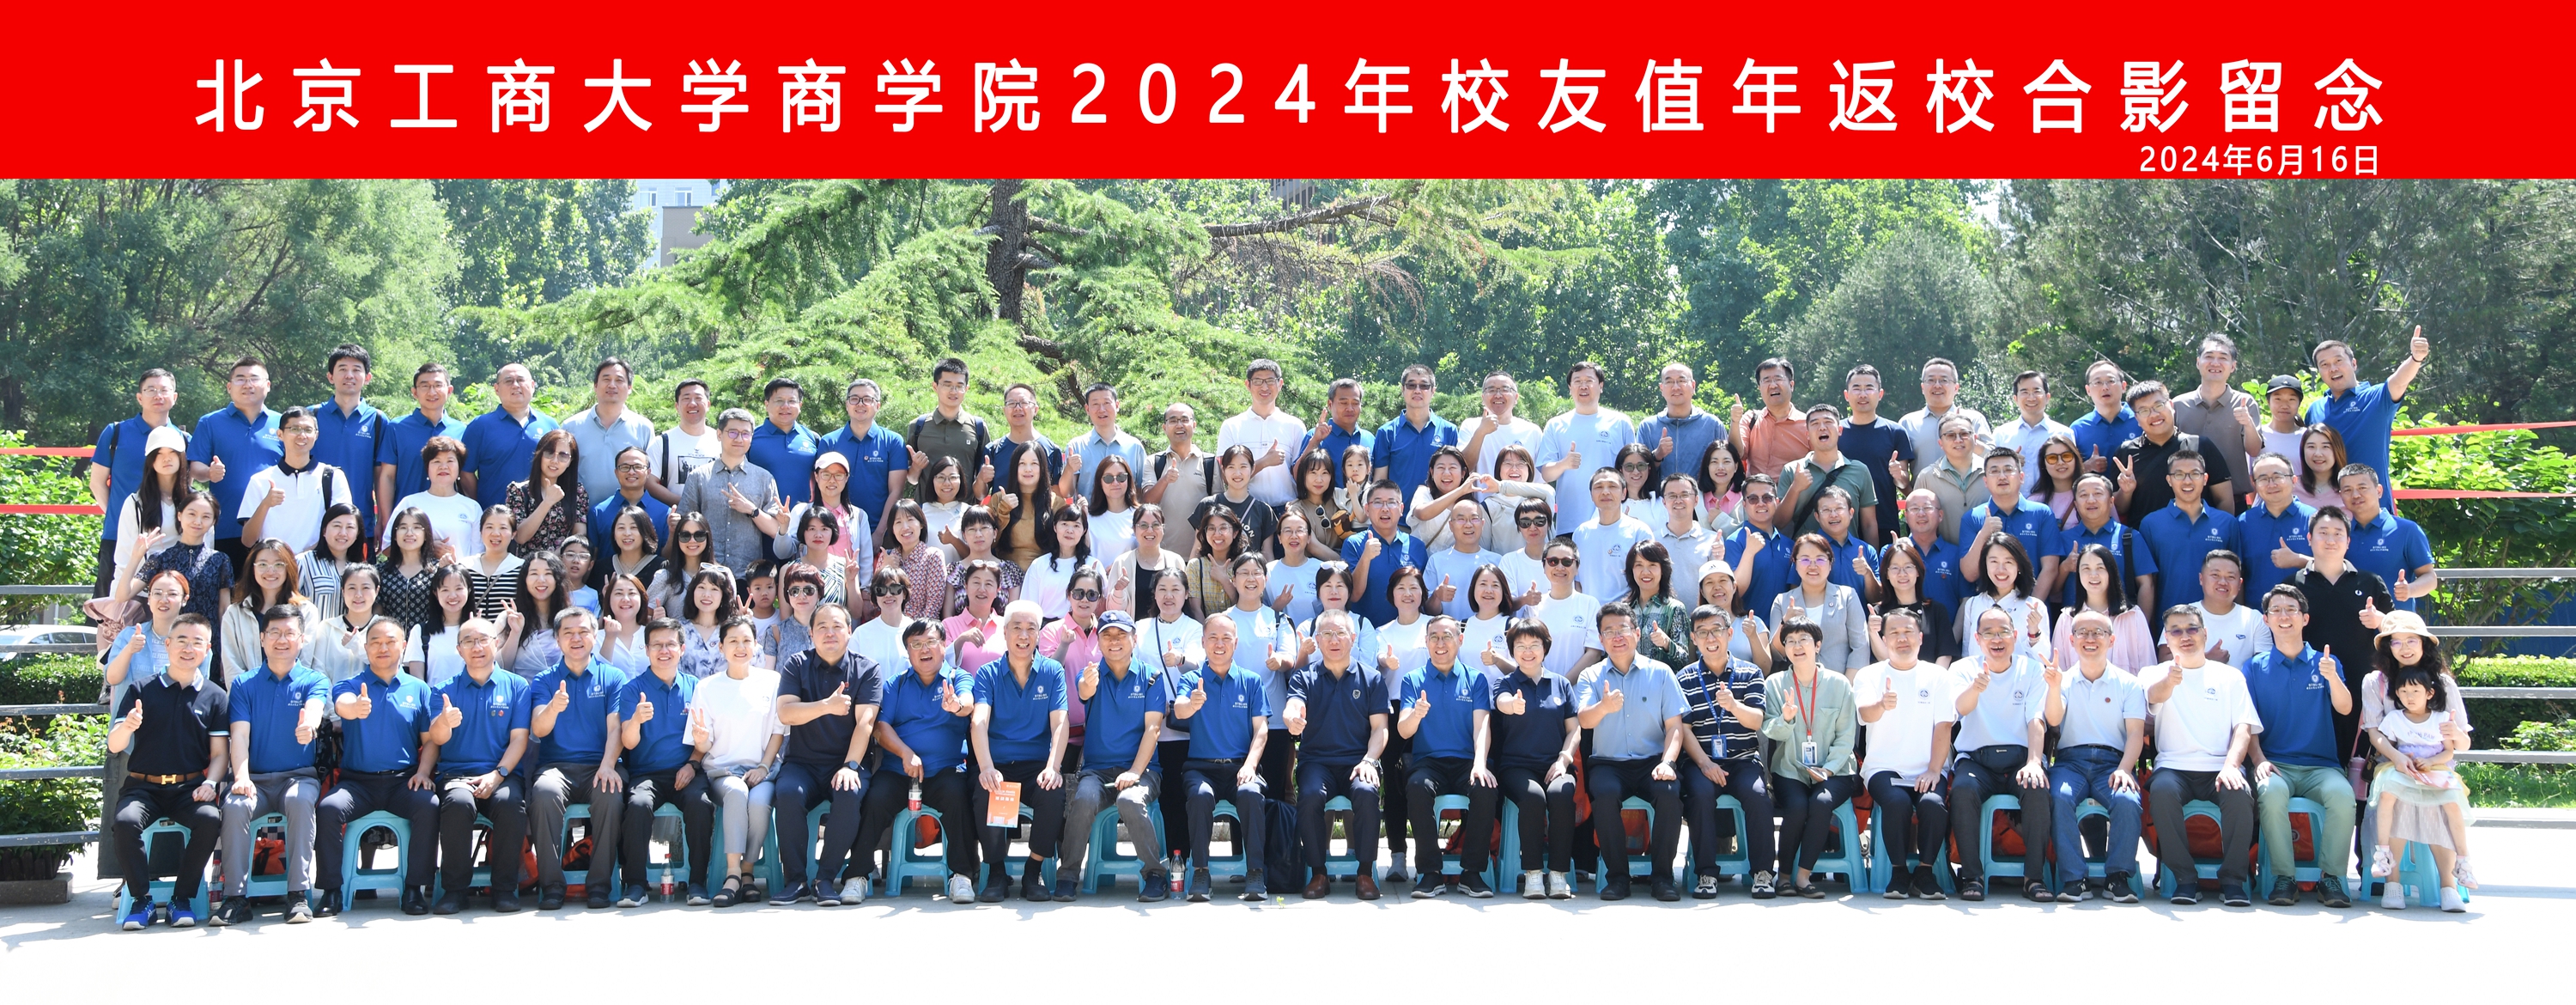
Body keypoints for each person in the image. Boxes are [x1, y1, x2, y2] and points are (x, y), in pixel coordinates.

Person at [106, 614, 228, 930]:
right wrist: (128, 726)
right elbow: (115, 744)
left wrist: (211, 782)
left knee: (209, 819)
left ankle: (182, 899)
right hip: (142, 787)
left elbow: (219, 755)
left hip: (190, 788)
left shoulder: (215, 696)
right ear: (168, 644)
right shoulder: (141, 689)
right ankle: (141, 900)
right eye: (182, 641)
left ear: (208, 649)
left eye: (197, 642)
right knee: (125, 822)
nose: (189, 649)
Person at [2241, 585, 2359, 908]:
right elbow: (2247, 724)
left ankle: (2332, 878)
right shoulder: (2254, 667)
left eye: (2291, 609)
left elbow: (2346, 708)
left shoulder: (2326, 662)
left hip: (2322, 766)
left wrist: (2333, 678)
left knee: (2343, 796)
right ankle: (2284, 877)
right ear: (2266, 619)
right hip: (2276, 763)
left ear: (2305, 618)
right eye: (2276, 610)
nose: (2284, 616)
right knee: (2271, 793)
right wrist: (2260, 760)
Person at [316, 618, 440, 917]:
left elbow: (431, 741)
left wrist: (423, 773)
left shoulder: (419, 689)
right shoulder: (350, 684)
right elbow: (343, 705)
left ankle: (414, 888)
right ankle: (331, 891)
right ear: (366, 647)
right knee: (329, 808)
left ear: (403, 646)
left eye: (390, 642)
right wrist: (354, 708)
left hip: (403, 782)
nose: (383, 648)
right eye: (375, 642)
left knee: (430, 805)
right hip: (357, 784)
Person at [851, 618, 980, 904]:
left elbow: (968, 701)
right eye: (916, 644)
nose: (924, 649)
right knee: (874, 800)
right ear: (907, 652)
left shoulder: (958, 677)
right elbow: (881, 727)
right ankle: (857, 875)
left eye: (931, 642)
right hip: (899, 770)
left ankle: (961, 875)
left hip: (945, 770)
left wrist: (957, 705)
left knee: (958, 798)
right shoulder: (895, 684)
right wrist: (905, 753)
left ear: (944, 645)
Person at [214, 607, 327, 925]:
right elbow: (239, 735)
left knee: (300, 802)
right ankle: (235, 898)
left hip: (298, 778)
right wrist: (241, 777)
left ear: (301, 639)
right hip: (255, 779)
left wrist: (309, 726)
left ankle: (298, 895)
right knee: (235, 806)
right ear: (262, 639)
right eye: (274, 633)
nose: (282, 640)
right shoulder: (244, 684)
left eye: (290, 633)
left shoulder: (314, 679)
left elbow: (315, 709)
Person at [2143, 603, 2261, 907]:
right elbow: (2152, 698)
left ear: (2205, 634)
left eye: (2192, 629)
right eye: (2176, 631)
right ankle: (2185, 878)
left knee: (2240, 794)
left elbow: (2243, 728)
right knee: (2161, 792)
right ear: (2166, 638)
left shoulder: (2231, 676)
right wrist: (2169, 682)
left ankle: (2233, 880)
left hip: (2220, 766)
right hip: (2173, 767)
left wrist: (2232, 766)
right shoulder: (2153, 673)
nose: (2185, 636)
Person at [1575, 601, 1688, 901]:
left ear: (1637, 633)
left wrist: (1668, 763)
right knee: (1604, 794)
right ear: (1601, 640)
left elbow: (1675, 727)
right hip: (1608, 762)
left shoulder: (1661, 672)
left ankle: (1662, 878)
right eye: (1609, 631)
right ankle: (1617, 879)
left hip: (1653, 761)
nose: (1617, 636)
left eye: (1623, 629)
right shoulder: (1591, 675)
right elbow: (1584, 720)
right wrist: (1604, 707)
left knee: (1669, 794)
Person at [1945, 605, 2058, 902]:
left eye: (2003, 632)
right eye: (1989, 633)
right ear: (1977, 639)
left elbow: (2037, 720)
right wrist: (1975, 689)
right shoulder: (1963, 669)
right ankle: (1972, 876)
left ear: (2015, 635)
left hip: (2020, 757)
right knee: (1963, 791)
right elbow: (1958, 710)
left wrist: (2034, 762)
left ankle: (2034, 878)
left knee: (2037, 787)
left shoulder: (2031, 670)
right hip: (1977, 760)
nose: (1997, 639)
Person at [424, 618, 533, 914]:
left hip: (502, 773)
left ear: (496, 643)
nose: (477, 647)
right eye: (468, 641)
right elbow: (437, 738)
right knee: (458, 804)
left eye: (483, 639)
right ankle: (455, 890)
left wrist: (497, 775)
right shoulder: (444, 690)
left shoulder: (517, 686)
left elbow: (519, 740)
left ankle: (504, 889)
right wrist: (444, 721)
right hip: (457, 775)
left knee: (511, 804)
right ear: (459, 650)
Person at [526, 607, 632, 910]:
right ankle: (551, 886)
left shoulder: (613, 677)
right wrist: (553, 708)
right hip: (556, 767)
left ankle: (599, 885)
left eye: (583, 632)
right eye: (568, 633)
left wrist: (608, 766)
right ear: (557, 640)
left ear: (595, 636)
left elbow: (616, 728)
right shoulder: (544, 680)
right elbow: (538, 729)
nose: (576, 638)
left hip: (600, 764)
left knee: (610, 793)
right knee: (544, 793)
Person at [967, 600, 1072, 902]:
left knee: (1053, 793)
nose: (1023, 636)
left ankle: (1033, 870)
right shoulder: (987, 673)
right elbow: (978, 720)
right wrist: (986, 767)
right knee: (985, 790)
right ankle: (996, 871)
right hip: (997, 763)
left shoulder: (1052, 671)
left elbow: (1060, 722)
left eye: (1031, 629)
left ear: (1039, 634)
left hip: (1036, 764)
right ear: (1005, 632)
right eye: (1017, 628)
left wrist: (1053, 767)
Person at [2043, 608, 2149, 904]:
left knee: (2127, 800)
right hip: (2070, 762)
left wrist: (2125, 769)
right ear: (2071, 640)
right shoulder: (2062, 680)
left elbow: (2135, 734)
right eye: (2082, 633)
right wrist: (2054, 688)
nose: (2090, 639)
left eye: (2098, 633)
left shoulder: (2129, 683)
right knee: (2058, 797)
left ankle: (2118, 877)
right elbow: (2053, 720)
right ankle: (2074, 878)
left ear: (2111, 640)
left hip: (2113, 762)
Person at [1060, 610, 1167, 900]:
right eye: (1107, 635)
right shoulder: (1090, 674)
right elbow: (1084, 691)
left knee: (1129, 800)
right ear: (1099, 641)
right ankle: (1068, 875)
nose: (1114, 641)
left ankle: (1155, 875)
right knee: (1083, 799)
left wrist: (1134, 772)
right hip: (1096, 771)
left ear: (1134, 639)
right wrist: (1087, 684)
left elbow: (1153, 729)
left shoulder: (1152, 678)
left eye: (1121, 635)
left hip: (1143, 771)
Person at [1855, 607, 1958, 901]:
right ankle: (1898, 872)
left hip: (1929, 767)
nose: (1902, 638)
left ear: (1920, 638)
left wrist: (1934, 769)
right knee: (1897, 803)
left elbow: (1944, 726)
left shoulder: (1938, 676)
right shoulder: (1869, 675)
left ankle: (1925, 872)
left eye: (1908, 632)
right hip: (1883, 767)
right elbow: (1865, 715)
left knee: (1933, 804)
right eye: (1894, 633)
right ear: (1884, 639)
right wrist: (1881, 705)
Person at [1675, 606, 1776, 899]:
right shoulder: (1684, 678)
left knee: (1758, 796)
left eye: (1717, 630)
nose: (1711, 638)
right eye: (1703, 632)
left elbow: (1756, 721)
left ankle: (1763, 872)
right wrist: (1705, 764)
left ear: (1730, 633)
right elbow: (1684, 729)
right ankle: (1706, 873)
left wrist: (1733, 706)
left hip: (1743, 760)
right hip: (1701, 761)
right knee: (1700, 795)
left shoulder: (1750, 672)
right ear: (1693, 638)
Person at [2287, 506, 2395, 781]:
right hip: (2310, 687)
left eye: (2338, 534)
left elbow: (2398, 631)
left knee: (2360, 763)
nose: (2330, 540)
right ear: (2309, 538)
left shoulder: (2370, 583)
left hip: (2362, 686)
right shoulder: (2293, 585)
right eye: (2323, 532)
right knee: (2317, 763)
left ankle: (2359, 808)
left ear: (2348, 541)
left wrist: (2380, 620)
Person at [1285, 609, 1386, 900]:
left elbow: (1380, 729)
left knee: (1367, 792)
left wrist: (1369, 760)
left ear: (1352, 638)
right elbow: (1293, 706)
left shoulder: (1371, 679)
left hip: (1359, 760)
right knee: (1309, 796)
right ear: (1317, 640)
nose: (1334, 640)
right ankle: (1318, 872)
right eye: (1327, 634)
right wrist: (1292, 718)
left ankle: (1365, 873)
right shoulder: (1304, 677)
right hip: (1317, 762)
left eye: (1340, 633)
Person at [1394, 616, 1499, 898]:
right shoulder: (1412, 679)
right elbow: (1403, 730)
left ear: (1460, 640)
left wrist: (1480, 764)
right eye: (1434, 637)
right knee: (1417, 787)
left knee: (1485, 787)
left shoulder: (1476, 679)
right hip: (1428, 762)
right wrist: (1416, 714)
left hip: (1467, 761)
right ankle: (1430, 873)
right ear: (1426, 642)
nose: (1440, 643)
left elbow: (1482, 726)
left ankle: (1472, 873)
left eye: (1447, 636)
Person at [1175, 612, 1275, 902]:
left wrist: (1250, 766)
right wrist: (1192, 704)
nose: (1219, 644)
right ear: (1203, 642)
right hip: (1200, 768)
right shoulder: (1191, 679)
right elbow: (1179, 708)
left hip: (1240, 767)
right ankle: (1201, 872)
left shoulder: (1251, 681)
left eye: (1226, 638)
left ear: (1236, 643)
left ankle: (1255, 872)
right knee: (1200, 796)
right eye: (1213, 638)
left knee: (1251, 794)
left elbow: (1261, 730)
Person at [613, 618, 714, 907]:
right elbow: (629, 742)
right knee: (637, 805)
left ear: (682, 649)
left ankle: (697, 883)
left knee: (700, 804)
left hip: (687, 771)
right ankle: (636, 885)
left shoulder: (696, 687)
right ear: (646, 650)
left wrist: (693, 764)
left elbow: (704, 741)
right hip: (646, 773)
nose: (664, 651)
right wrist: (636, 720)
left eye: (670, 644)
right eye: (657, 645)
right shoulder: (633, 689)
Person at [2365, 648, 2474, 912]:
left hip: (2435, 769)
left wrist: (2436, 758)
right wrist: (2400, 759)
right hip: (2401, 768)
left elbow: (2456, 747)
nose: (2410, 696)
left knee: (2445, 805)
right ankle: (2390, 875)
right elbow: (2379, 738)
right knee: (2394, 801)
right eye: (2404, 691)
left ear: (2429, 693)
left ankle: (2453, 879)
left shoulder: (2442, 710)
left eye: (2416, 691)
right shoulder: (2384, 697)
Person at [1756, 617, 1856, 899]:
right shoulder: (1775, 684)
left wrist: (1828, 769)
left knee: (1821, 803)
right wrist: (1786, 719)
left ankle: (1803, 876)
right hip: (1791, 768)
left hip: (1835, 770)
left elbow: (1846, 736)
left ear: (1818, 645)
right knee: (1797, 806)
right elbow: (1770, 730)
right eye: (1790, 641)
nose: (1797, 646)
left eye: (1804, 640)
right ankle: (1784, 877)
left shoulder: (1839, 684)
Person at [692, 616, 787, 906]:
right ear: (721, 647)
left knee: (759, 804)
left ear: (756, 645)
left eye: (747, 640)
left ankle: (748, 870)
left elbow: (778, 732)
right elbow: (705, 746)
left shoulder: (772, 681)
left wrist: (763, 767)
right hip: (723, 771)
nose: (740, 647)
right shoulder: (707, 687)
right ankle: (733, 874)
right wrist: (700, 739)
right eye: (733, 641)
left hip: (762, 769)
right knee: (736, 792)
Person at [1488, 617, 1581, 899]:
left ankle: (1558, 874)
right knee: (1533, 797)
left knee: (1561, 793)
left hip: (1556, 764)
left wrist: (1564, 760)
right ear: (1512, 651)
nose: (1527, 651)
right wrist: (1513, 705)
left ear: (1545, 648)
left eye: (1534, 645)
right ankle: (1533, 873)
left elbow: (1574, 729)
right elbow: (1502, 703)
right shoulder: (1506, 683)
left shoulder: (1561, 684)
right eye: (1520, 646)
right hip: (1516, 767)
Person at [2306, 327, 2429, 510]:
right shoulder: (2315, 409)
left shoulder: (2376, 398)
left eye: (2338, 361)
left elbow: (2399, 381)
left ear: (2354, 364)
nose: (2333, 369)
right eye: (2324, 365)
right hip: (2329, 511)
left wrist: (2415, 359)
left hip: (2372, 508)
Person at [91, 369, 186, 594]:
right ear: (139, 397)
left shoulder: (183, 440)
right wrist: (123, 518)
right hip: (118, 538)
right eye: (150, 390)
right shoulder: (115, 433)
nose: (158, 395)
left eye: (164, 390)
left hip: (169, 541)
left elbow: (184, 487)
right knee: (112, 605)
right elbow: (97, 483)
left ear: (174, 397)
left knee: (167, 604)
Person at [188, 355, 285, 568]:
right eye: (240, 379)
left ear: (268, 386)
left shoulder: (283, 423)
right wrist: (209, 473)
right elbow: (195, 467)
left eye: (254, 378)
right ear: (229, 387)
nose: (248, 384)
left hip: (273, 528)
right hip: (225, 527)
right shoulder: (210, 422)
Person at [676, 408, 787, 576]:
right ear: (719, 434)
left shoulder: (764, 478)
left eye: (745, 434)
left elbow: (775, 530)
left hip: (747, 576)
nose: (739, 439)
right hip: (705, 574)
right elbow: (684, 525)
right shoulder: (699, 476)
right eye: (733, 432)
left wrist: (752, 510)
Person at [2136, 450, 2239, 620]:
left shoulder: (2227, 523)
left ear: (2205, 479)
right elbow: (2148, 583)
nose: (2187, 481)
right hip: (2169, 621)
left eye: (2195, 474)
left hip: (2218, 621)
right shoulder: (2151, 524)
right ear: (2169, 480)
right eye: (2179, 475)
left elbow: (2237, 577)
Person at [2115, 381, 2239, 522]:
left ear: (2171, 405)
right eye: (2144, 411)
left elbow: (2224, 499)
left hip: (2199, 532)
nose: (2154, 414)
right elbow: (2118, 509)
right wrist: (2126, 491)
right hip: (2145, 535)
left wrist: (2217, 531)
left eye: (2159, 405)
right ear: (2137, 418)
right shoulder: (2126, 452)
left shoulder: (2201, 445)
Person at [236, 406, 353, 555]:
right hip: (275, 564)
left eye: (308, 430)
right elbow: (248, 540)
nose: (302, 435)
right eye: (295, 429)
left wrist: (305, 558)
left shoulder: (333, 477)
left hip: (319, 562)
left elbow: (343, 529)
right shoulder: (260, 480)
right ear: (280, 434)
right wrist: (266, 504)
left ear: (316, 435)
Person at [1538, 360, 1638, 530]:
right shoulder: (1556, 425)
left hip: (1614, 519)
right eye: (1577, 381)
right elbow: (1547, 475)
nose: (1583, 386)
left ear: (1601, 386)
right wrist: (1564, 464)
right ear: (1570, 388)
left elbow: (1632, 470)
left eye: (1589, 381)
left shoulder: (1620, 423)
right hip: (1571, 520)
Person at [1963, 448, 2064, 604]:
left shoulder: (2042, 513)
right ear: (1986, 481)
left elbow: (2050, 569)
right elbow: (1970, 574)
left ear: (2021, 477)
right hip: (1988, 611)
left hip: (2032, 609)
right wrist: (1983, 534)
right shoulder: (1973, 517)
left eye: (2008, 470)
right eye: (1994, 471)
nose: (2002, 476)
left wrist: (2029, 608)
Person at [376, 362, 468, 534]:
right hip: (407, 522)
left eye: (438, 385)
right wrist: (387, 522)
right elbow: (387, 476)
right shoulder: (397, 428)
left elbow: (466, 477)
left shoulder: (462, 430)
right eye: (425, 386)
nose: (432, 392)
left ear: (449, 390)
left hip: (449, 521)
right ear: (414, 392)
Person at [104, 424, 191, 600]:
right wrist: (117, 600)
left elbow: (206, 549)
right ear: (151, 460)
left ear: (181, 456)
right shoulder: (135, 503)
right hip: (143, 594)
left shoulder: (195, 501)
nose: (166, 458)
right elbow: (124, 557)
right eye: (159, 453)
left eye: (172, 452)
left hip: (185, 592)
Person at [2336, 464, 2439, 612]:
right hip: (2351, 622)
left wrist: (2410, 590)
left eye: (2362, 488)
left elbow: (2429, 577)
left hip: (2395, 622)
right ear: (2341, 495)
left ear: (2379, 491)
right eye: (2347, 490)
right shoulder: (2340, 533)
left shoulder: (2406, 530)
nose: (2356, 495)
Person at [820, 377, 912, 540]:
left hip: (883, 532)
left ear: (878, 405)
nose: (860, 404)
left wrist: (879, 533)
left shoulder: (893, 441)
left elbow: (896, 491)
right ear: (847, 405)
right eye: (854, 399)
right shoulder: (829, 441)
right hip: (837, 532)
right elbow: (822, 488)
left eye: (867, 399)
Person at [2170, 334, 2259, 502]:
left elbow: (2254, 451)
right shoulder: (2178, 404)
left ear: (2233, 366)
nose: (2215, 363)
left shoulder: (2245, 403)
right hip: (2184, 498)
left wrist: (2248, 424)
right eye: (2209, 357)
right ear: (2198, 362)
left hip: (2234, 498)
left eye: (2223, 358)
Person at [125, 492, 234, 630]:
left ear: (213, 521)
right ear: (180, 515)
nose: (198, 521)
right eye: (192, 514)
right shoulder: (161, 558)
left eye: (206, 517)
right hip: (168, 637)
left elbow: (224, 608)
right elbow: (123, 595)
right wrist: (136, 557)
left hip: (207, 638)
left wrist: (226, 640)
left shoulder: (220, 560)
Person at [218, 538, 317, 685]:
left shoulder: (306, 611)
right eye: (263, 564)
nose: (270, 571)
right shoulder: (234, 614)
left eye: (278, 564)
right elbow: (233, 668)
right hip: (246, 697)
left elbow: (305, 663)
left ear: (289, 568)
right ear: (252, 569)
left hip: (293, 695)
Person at [461, 363, 558, 510]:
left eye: (521, 380)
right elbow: (465, 472)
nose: (515, 385)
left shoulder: (549, 425)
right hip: (496, 517)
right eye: (508, 381)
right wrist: (479, 507)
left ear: (532, 386)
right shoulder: (480, 426)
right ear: (496, 389)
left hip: (541, 515)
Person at [1772, 533, 1873, 674]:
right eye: (1805, 560)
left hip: (1841, 682)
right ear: (1795, 564)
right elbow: (1776, 654)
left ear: (1830, 564)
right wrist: (1785, 622)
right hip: (1796, 684)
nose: (1813, 566)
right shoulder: (1782, 601)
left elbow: (1860, 647)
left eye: (1820, 559)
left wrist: (1846, 685)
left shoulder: (1847, 596)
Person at [1779, 403, 1880, 543]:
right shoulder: (1792, 470)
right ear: (1807, 434)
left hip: (1848, 553)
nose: (1822, 427)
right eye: (1815, 424)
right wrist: (1795, 488)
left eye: (1828, 422)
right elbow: (1779, 523)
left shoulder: (1860, 470)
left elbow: (1869, 524)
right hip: (1805, 554)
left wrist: (1871, 556)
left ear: (1840, 430)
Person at [2050, 545, 2158, 672]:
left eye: (2100, 568)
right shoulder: (2066, 619)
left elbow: (2148, 671)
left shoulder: (2134, 616)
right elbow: (2057, 672)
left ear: (2111, 572)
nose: (2093, 575)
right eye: (2086, 568)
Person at [2059, 473, 2156, 612]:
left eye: (2098, 493)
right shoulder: (2064, 538)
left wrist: (2140, 623)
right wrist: (2065, 567)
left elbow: (2146, 585)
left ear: (2111, 501)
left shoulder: (2129, 537)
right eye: (2084, 495)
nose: (2091, 500)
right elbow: (2054, 590)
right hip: (2075, 621)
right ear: (2076, 504)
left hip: (2120, 619)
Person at [564, 358, 655, 504]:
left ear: (629, 388)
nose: (612, 385)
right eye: (606, 379)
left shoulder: (643, 427)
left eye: (619, 380)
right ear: (595, 386)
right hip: (580, 513)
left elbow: (651, 476)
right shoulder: (571, 426)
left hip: (630, 513)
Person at [1837, 365, 1911, 540]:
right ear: (1846, 395)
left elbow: (1903, 484)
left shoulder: (1895, 432)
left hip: (1884, 520)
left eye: (1869, 388)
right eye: (1856, 388)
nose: (1863, 394)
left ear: (1880, 394)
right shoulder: (1835, 432)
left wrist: (1898, 475)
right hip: (1841, 521)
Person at [903, 358, 993, 502]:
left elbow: (981, 492)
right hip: (926, 511)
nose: (954, 391)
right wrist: (916, 467)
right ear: (935, 386)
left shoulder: (978, 427)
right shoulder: (918, 426)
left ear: (966, 389)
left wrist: (983, 478)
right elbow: (912, 479)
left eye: (959, 386)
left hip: (965, 513)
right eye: (947, 385)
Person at [380, 436, 483, 559]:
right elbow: (387, 547)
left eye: (450, 461)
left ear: (459, 468)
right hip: (418, 572)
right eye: (436, 461)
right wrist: (427, 549)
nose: (443, 466)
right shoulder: (410, 503)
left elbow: (479, 556)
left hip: (460, 571)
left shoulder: (472, 507)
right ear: (427, 468)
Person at [2235, 454, 2316, 600]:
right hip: (2257, 611)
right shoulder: (2243, 523)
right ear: (2254, 484)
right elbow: (2236, 574)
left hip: (2307, 611)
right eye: (2263, 479)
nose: (2271, 485)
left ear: (2294, 480)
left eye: (2278, 477)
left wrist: (2299, 560)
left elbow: (2334, 568)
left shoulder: (2314, 519)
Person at [1899, 357, 1992, 478]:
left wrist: (1970, 440)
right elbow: (1901, 470)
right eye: (1931, 380)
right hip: (1923, 489)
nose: (1937, 385)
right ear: (1922, 388)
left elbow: (1993, 457)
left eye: (1944, 380)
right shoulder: (1908, 423)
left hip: (1969, 489)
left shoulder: (1974, 419)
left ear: (1956, 388)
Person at [1571, 468, 1654, 601]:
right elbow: (1577, 582)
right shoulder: (1580, 533)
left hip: (1626, 612)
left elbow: (1648, 581)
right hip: (1589, 612)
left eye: (1612, 486)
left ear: (1624, 493)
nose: (1605, 492)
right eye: (1598, 487)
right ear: (1591, 495)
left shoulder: (1639, 532)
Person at [504, 429, 586, 561]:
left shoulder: (577, 492)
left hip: (562, 564)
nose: (555, 460)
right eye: (549, 453)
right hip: (527, 566)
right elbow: (520, 537)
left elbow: (580, 533)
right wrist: (547, 502)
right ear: (540, 455)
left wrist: (553, 558)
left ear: (571, 461)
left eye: (563, 456)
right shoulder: (519, 491)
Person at [1873, 538, 1958, 667]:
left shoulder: (1936, 610)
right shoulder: (1878, 613)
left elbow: (1945, 654)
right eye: (1895, 568)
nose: (1902, 574)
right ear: (1887, 574)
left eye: (1908, 567)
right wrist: (1872, 632)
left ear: (1918, 571)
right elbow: (1883, 659)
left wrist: (1933, 678)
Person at [1147, 401, 1217, 555]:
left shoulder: (1210, 463)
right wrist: (1164, 480)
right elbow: (1146, 503)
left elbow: (1218, 509)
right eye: (1173, 421)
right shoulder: (1154, 462)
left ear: (1194, 425)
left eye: (1185, 420)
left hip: (1201, 554)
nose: (1179, 425)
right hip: (1162, 555)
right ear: (1164, 428)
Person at [1528, 539, 1603, 679]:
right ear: (1544, 566)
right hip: (1541, 687)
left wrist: (1563, 685)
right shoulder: (1535, 606)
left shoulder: (1590, 604)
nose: (1560, 567)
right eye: (1553, 561)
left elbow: (1594, 653)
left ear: (1577, 567)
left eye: (1567, 562)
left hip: (1579, 688)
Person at [1914, 413, 1993, 543]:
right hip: (1944, 554)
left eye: (1964, 434)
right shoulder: (1927, 477)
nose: (1958, 440)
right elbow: (1916, 522)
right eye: (1950, 435)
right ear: (1940, 443)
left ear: (1975, 438)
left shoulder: (1991, 472)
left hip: (1989, 553)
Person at [1993, 370, 2075, 495]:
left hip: (2052, 503)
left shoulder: (2064, 433)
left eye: (2037, 391)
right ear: (2015, 399)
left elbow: (2072, 473)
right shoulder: (2001, 434)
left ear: (2047, 397)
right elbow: (1991, 472)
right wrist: (2007, 463)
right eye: (2024, 392)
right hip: (2010, 503)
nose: (2031, 398)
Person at [591, 449, 671, 573]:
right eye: (625, 467)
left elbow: (668, 558)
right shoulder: (598, 512)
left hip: (653, 582)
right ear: (616, 472)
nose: (631, 472)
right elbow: (592, 558)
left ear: (648, 472)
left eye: (638, 467)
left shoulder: (664, 513)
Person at [646, 378, 723, 506]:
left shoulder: (721, 441)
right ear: (677, 406)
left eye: (698, 398)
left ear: (708, 404)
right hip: (676, 515)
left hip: (716, 515)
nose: (692, 403)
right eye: (686, 398)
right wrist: (684, 505)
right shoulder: (662, 442)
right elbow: (649, 482)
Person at [748, 377, 822, 508]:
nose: (786, 406)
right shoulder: (751, 438)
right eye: (779, 401)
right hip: (760, 516)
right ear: (766, 404)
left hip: (802, 517)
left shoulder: (813, 438)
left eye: (792, 401)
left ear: (800, 405)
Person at [1461, 369, 1545, 480]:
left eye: (1505, 389)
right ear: (1483, 398)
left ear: (1516, 398)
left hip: (1522, 493)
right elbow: (1463, 469)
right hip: (1482, 492)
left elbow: (1540, 481)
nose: (1498, 395)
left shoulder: (1532, 431)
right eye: (1491, 390)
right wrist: (1481, 432)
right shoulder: (1470, 426)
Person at [1735, 357, 1808, 481]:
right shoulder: (1751, 419)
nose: (1773, 385)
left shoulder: (1808, 424)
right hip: (1755, 492)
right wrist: (1734, 422)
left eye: (1778, 379)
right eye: (1767, 380)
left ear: (1791, 385)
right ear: (1759, 388)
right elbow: (1738, 453)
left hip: (1794, 492)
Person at [990, 439, 1057, 568]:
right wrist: (1003, 511)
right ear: (1014, 467)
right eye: (1022, 464)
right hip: (1005, 573)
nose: (1028, 469)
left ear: (1043, 468)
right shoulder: (999, 499)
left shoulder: (1056, 502)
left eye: (1034, 464)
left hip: (1043, 572)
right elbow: (988, 543)